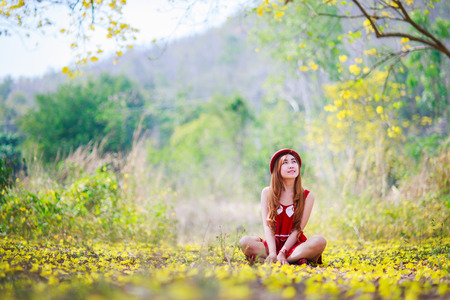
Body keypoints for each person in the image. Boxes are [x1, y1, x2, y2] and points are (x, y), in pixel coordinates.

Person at [239, 148, 326, 265]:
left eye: (294, 162)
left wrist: (283, 252)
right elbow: (268, 226)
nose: (291, 165)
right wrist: (274, 252)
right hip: (272, 245)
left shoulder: (308, 196)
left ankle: (284, 260)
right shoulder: (267, 193)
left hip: (295, 246)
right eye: (285, 163)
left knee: (320, 241)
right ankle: (281, 258)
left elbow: (298, 229)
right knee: (244, 241)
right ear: (277, 169)